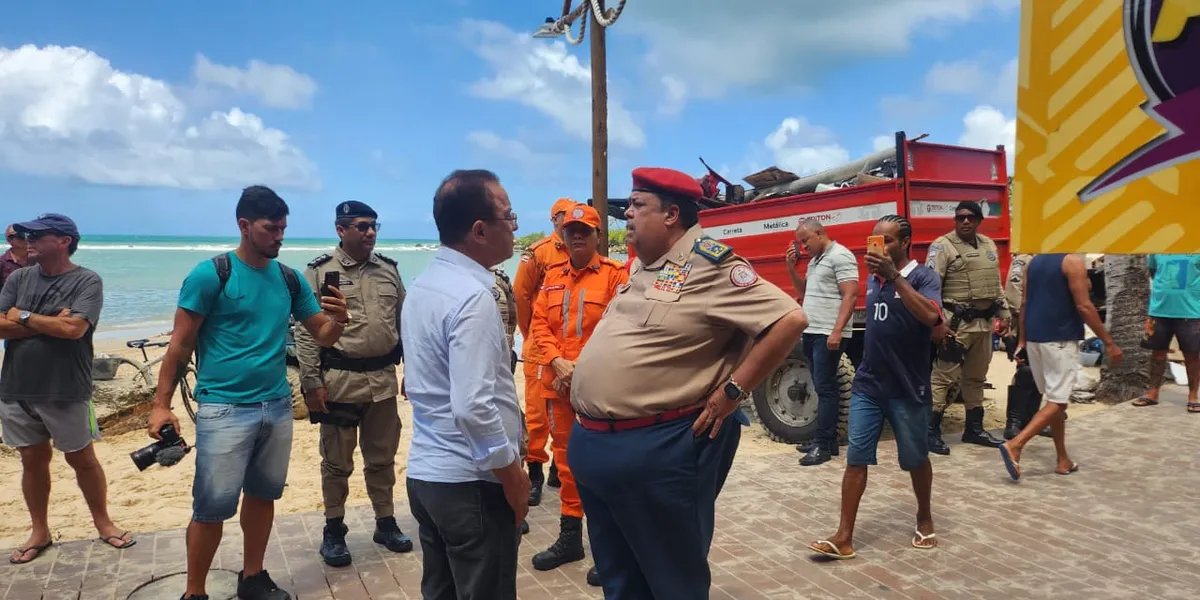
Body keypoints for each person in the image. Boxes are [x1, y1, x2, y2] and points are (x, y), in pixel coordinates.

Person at [569, 167, 807, 599]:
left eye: (638, 205)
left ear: (671, 214)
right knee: (620, 580)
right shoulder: (643, 266)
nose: (628, 215)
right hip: (597, 445)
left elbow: (789, 319)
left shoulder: (710, 265)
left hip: (657, 448)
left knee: (673, 582)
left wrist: (733, 391)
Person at [147, 186, 350, 600]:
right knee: (211, 507)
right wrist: (160, 406)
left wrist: (340, 319)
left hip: (276, 405)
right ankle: (194, 592)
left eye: (283, 229)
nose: (279, 237)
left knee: (263, 496)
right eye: (271, 228)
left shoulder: (288, 278)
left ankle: (253, 577)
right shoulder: (211, 275)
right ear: (244, 225)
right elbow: (180, 346)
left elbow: (323, 335)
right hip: (223, 408)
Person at [401, 169, 528, 600]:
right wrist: (511, 475)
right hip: (471, 482)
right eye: (509, 216)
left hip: (428, 474)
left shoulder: (424, 285)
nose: (515, 228)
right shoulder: (472, 297)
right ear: (479, 230)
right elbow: (473, 406)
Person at [809, 214, 947, 560]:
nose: (879, 246)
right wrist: (886, 276)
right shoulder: (874, 279)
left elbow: (931, 316)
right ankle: (843, 537)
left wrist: (895, 277)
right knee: (856, 458)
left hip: (908, 386)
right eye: (875, 240)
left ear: (906, 243)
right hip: (869, 384)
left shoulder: (923, 276)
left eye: (887, 240)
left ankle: (925, 517)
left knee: (915, 459)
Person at [0, 213, 135, 565]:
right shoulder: (19, 277)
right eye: (26, 235)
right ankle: (39, 531)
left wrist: (22, 316)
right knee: (32, 461)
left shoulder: (86, 280)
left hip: (66, 387)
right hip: (16, 386)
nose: (28, 240)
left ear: (64, 241)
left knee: (81, 459)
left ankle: (103, 523)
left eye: (37, 235)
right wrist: (49, 322)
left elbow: (74, 329)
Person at [293, 200, 412, 568]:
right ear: (340, 229)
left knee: (382, 458)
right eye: (362, 226)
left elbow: (405, 323)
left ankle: (385, 523)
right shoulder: (318, 272)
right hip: (339, 383)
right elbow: (306, 332)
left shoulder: (388, 270)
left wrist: (413, 370)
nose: (370, 232)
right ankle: (334, 529)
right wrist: (311, 382)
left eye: (374, 225)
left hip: (383, 383)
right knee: (336, 463)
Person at [528, 203, 627, 576]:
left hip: (599, 389)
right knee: (567, 464)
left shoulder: (616, 275)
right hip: (558, 385)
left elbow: (618, 328)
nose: (577, 236)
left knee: (605, 466)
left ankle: (609, 550)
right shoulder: (552, 276)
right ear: (563, 235)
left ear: (598, 235)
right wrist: (556, 361)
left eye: (585, 231)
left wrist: (578, 368)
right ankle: (570, 538)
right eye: (571, 231)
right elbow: (539, 323)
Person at [1000, 254, 1123, 481]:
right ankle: (1016, 445)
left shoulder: (1033, 261)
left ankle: (1062, 458)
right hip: (1059, 339)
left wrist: (1022, 340)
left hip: (1035, 339)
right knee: (1058, 401)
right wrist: (1109, 342)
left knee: (1055, 400)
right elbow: (1084, 306)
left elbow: (1024, 303)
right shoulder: (1072, 261)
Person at [925, 201, 1009, 454]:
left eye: (971, 217)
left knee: (976, 377)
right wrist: (937, 322)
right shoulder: (942, 246)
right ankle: (929, 432)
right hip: (956, 326)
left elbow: (996, 284)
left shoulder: (988, 245)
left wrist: (1004, 313)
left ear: (979, 220)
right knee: (943, 377)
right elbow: (930, 288)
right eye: (960, 217)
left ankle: (974, 429)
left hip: (983, 325)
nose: (965, 221)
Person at [512, 197, 573, 504]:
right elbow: (521, 297)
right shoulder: (539, 253)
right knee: (537, 417)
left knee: (566, 414)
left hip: (568, 349)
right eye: (564, 216)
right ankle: (535, 473)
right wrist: (529, 334)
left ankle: (559, 470)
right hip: (539, 348)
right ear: (554, 220)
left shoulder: (581, 250)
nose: (570, 221)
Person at [785, 218, 859, 466]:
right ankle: (827, 440)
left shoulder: (840, 255)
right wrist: (791, 268)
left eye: (805, 240)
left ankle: (823, 445)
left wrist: (837, 331)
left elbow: (851, 295)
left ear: (819, 233)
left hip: (827, 332)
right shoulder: (815, 261)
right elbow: (804, 293)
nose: (803, 246)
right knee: (822, 386)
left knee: (826, 389)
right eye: (800, 242)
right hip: (812, 330)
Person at [1132, 254, 1200, 412]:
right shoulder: (1158, 249)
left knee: (1192, 355)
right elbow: (1154, 272)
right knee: (1157, 354)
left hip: (1191, 312)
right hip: (1158, 311)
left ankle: (1193, 395)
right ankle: (1152, 393)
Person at [1, 224, 29, 291]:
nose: (26, 238)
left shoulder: (38, 260)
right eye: (21, 235)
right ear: (9, 240)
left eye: (28, 235)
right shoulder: (2, 263)